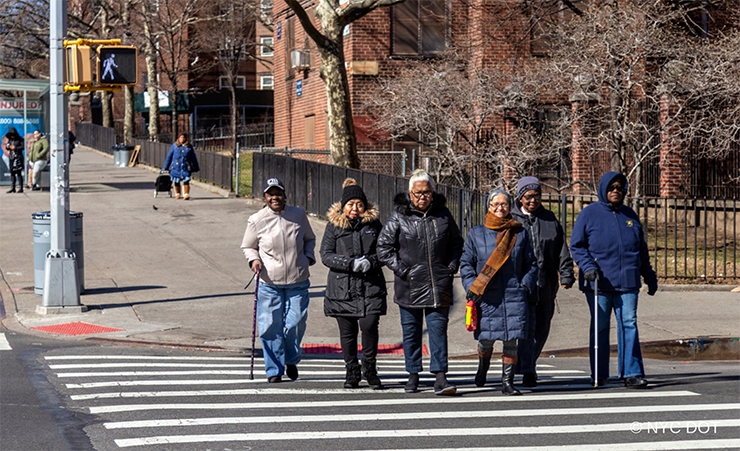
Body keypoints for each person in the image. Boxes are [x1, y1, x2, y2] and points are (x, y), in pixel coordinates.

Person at [377, 169, 464, 396]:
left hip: (438, 284)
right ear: (410, 193)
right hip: (410, 285)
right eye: (418, 193)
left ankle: (441, 377)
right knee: (412, 332)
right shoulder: (399, 216)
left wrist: (452, 266)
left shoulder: (443, 215)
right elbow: (383, 248)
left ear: (433, 193)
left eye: (427, 192)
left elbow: (456, 243)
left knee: (438, 331)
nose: (422, 197)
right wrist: (404, 271)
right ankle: (413, 374)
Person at [570, 172, 658, 389]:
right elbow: (577, 246)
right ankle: (599, 373)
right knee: (600, 327)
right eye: (611, 187)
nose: (616, 191)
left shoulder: (630, 216)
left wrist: (649, 276)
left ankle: (632, 372)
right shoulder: (588, 214)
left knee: (629, 324)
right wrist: (588, 267)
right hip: (598, 282)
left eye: (619, 187)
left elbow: (641, 251)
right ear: (602, 189)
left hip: (627, 281)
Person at [460, 189, 538, 395]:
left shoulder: (519, 232)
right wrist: (471, 285)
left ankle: (507, 383)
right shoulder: (476, 233)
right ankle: (482, 370)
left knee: (511, 340)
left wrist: (525, 285)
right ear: (489, 206)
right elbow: (466, 263)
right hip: (486, 296)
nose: (500, 208)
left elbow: (531, 264)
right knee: (486, 339)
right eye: (495, 204)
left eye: (504, 204)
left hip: (514, 294)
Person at [241, 177, 316, 383]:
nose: (275, 197)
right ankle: (274, 369)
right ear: (265, 197)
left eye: (278, 193)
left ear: (285, 195)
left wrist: (308, 257)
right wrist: (254, 260)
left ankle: (291, 358)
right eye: (270, 194)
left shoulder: (298, 215)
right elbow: (248, 246)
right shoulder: (257, 219)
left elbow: (310, 238)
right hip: (269, 282)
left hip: (297, 280)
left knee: (296, 323)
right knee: (269, 327)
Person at [320, 178, 387, 389]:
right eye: (350, 205)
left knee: (369, 327)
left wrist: (371, 261)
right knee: (347, 333)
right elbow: (326, 255)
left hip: (370, 286)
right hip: (342, 289)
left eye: (359, 204)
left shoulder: (374, 225)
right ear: (343, 206)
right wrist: (350, 263)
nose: (355, 209)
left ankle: (370, 368)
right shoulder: (333, 226)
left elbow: (384, 251)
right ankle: (351, 371)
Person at [511, 177, 575, 387]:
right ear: (520, 197)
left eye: (537, 196)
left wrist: (566, 274)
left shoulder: (549, 218)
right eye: (529, 196)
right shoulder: (512, 219)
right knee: (527, 329)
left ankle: (527, 362)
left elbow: (560, 249)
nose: (533, 200)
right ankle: (529, 370)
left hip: (546, 284)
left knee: (542, 328)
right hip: (522, 285)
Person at [163, 133, 199, 200]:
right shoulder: (174, 146)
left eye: (183, 137)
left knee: (186, 180)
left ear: (186, 138)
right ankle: (177, 194)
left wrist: (196, 167)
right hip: (176, 167)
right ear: (178, 138)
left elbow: (193, 157)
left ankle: (186, 194)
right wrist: (165, 167)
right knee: (177, 181)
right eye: (181, 137)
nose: (182, 139)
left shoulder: (189, 146)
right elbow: (169, 157)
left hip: (185, 167)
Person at [4, 127, 24, 193]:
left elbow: (23, 147)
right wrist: (7, 147)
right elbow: (7, 147)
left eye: (13, 135)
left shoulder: (20, 139)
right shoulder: (10, 140)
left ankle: (21, 188)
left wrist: (15, 147)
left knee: (18, 173)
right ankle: (13, 187)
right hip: (12, 157)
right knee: (12, 173)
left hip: (18, 157)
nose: (12, 136)